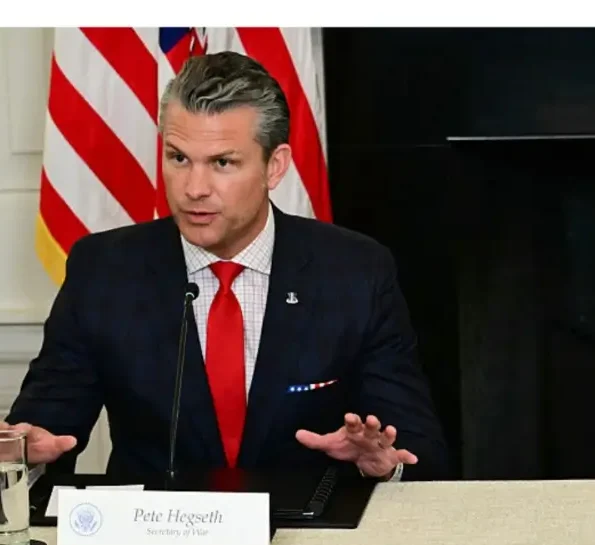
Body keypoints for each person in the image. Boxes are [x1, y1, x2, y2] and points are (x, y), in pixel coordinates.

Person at [2, 51, 449, 482]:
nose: (194, 188)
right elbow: (45, 425)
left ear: (274, 167)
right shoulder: (103, 270)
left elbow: (416, 447)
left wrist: (386, 465)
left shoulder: (354, 271)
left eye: (222, 163)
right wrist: (30, 451)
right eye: (179, 158)